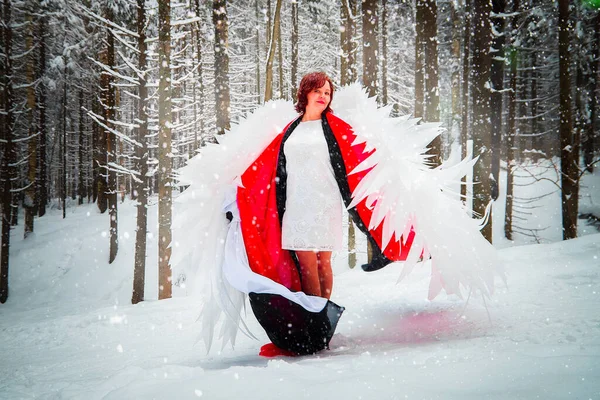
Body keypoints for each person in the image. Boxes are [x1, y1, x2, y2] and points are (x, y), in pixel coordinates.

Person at [280, 72, 340, 300]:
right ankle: (315, 320)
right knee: (306, 263)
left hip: (326, 200)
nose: (323, 96)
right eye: (318, 91)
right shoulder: (290, 129)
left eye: (327, 92)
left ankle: (323, 321)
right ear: (305, 92)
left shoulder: (334, 128)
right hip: (296, 203)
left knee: (323, 261)